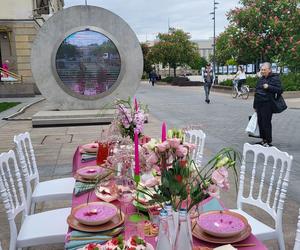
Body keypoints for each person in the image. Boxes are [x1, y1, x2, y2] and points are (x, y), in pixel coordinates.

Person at [253, 62, 283, 147]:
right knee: (260, 122)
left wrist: (268, 87)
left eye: (264, 70)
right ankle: (263, 139)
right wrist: (255, 105)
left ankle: (268, 141)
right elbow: (256, 92)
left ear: (269, 70)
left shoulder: (274, 78)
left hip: (268, 104)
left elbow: (280, 90)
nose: (262, 71)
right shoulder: (261, 79)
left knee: (266, 122)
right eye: (261, 70)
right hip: (259, 103)